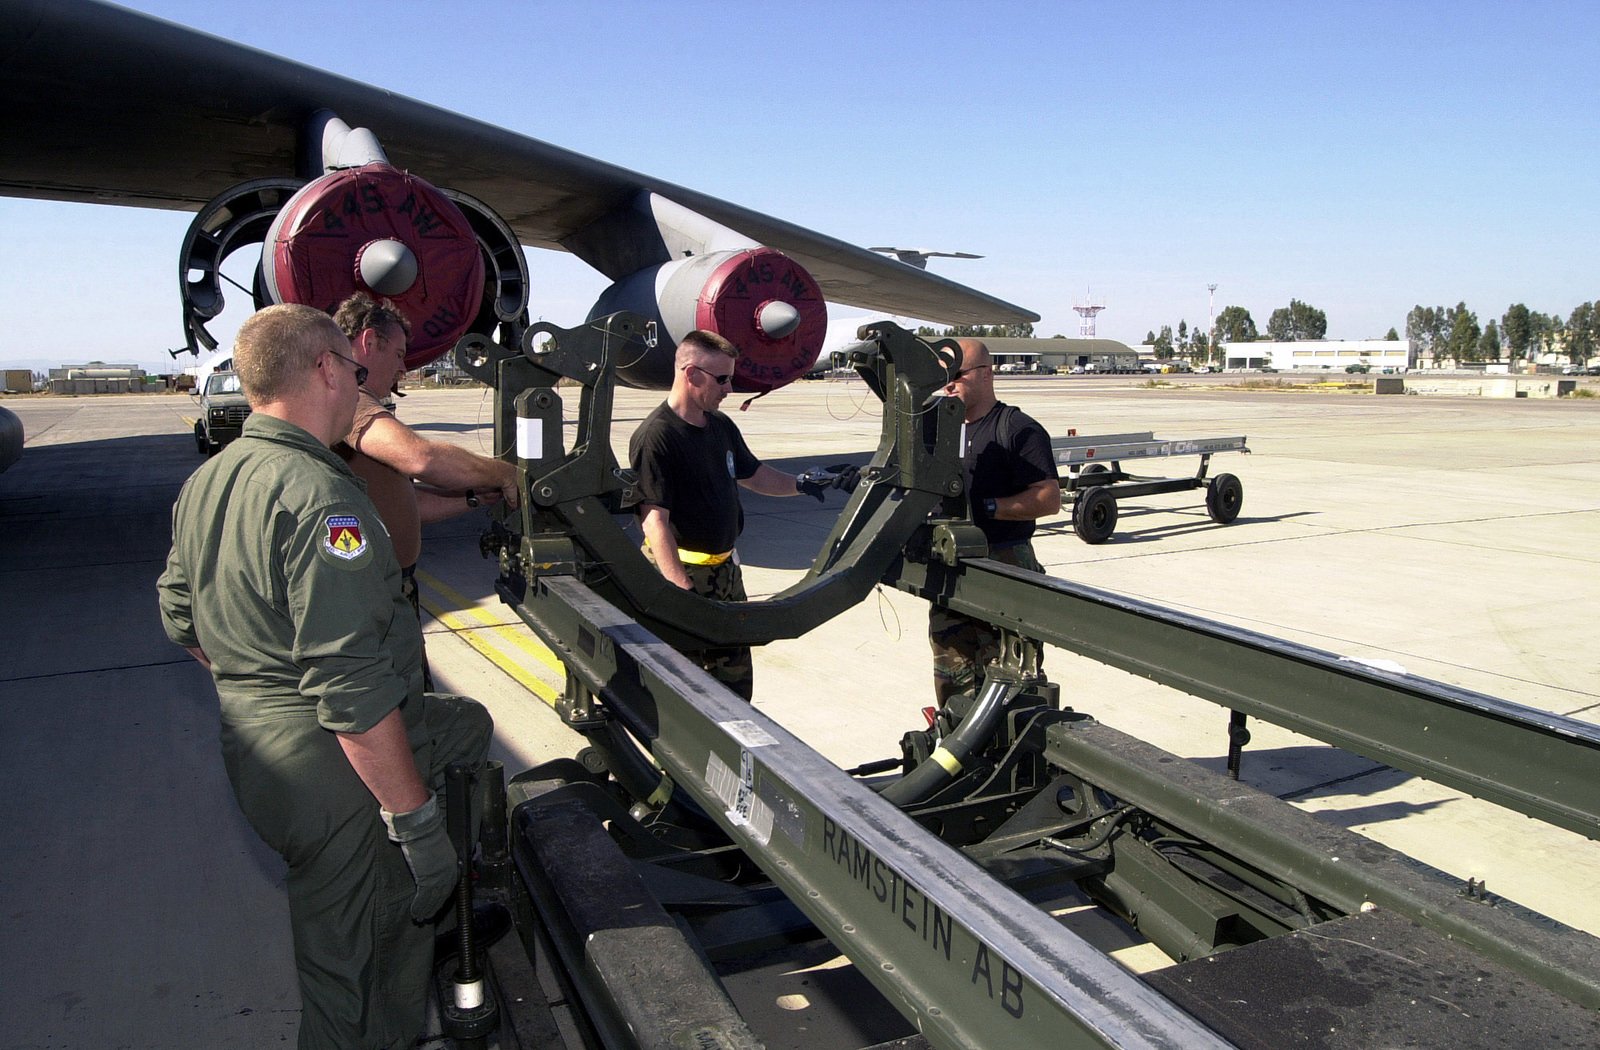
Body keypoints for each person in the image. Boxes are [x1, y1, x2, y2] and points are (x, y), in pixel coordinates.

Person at [156, 303, 493, 1050]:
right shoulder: (321, 496)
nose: (358, 376)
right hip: (334, 774)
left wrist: (259, 682)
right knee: (361, 972)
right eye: (351, 362)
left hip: (259, 752)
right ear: (325, 368)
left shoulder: (211, 481)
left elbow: (181, 617)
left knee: (464, 725)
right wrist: (416, 825)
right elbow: (350, 687)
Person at [628, 330, 855, 701]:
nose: (729, 389)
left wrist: (807, 481)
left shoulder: (719, 427)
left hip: (725, 577)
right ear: (691, 374)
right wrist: (681, 593)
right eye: (722, 379)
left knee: (734, 688)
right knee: (683, 693)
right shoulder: (657, 436)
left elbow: (756, 475)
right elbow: (654, 521)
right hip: (684, 577)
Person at [332, 293, 521, 684]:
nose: (403, 367)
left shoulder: (354, 405)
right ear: (369, 342)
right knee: (403, 707)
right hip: (373, 596)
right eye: (399, 354)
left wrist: (473, 496)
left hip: (390, 590)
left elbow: (407, 505)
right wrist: (503, 473)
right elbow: (421, 459)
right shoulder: (350, 401)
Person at [929, 338, 1062, 706]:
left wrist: (986, 507)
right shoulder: (942, 428)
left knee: (1013, 686)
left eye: (958, 374)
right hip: (953, 572)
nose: (950, 384)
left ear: (986, 374)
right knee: (952, 682)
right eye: (944, 377)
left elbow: (1049, 498)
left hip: (1004, 566)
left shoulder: (1017, 428)